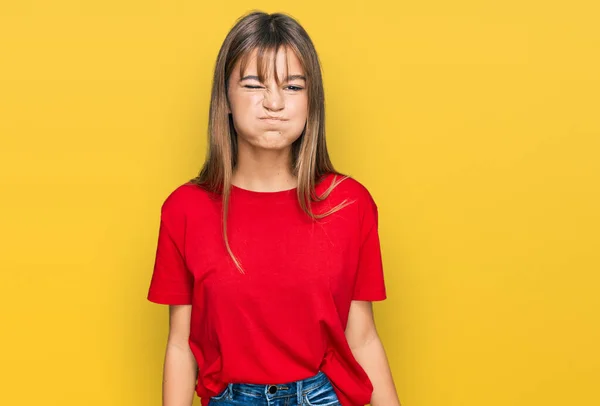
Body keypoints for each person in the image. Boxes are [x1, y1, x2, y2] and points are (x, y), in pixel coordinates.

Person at [147, 10, 401, 406]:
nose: (274, 102)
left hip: (324, 396)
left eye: (293, 86)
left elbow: (363, 335)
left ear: (310, 100)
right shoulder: (185, 210)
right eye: (253, 84)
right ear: (225, 99)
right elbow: (181, 345)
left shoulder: (350, 204)